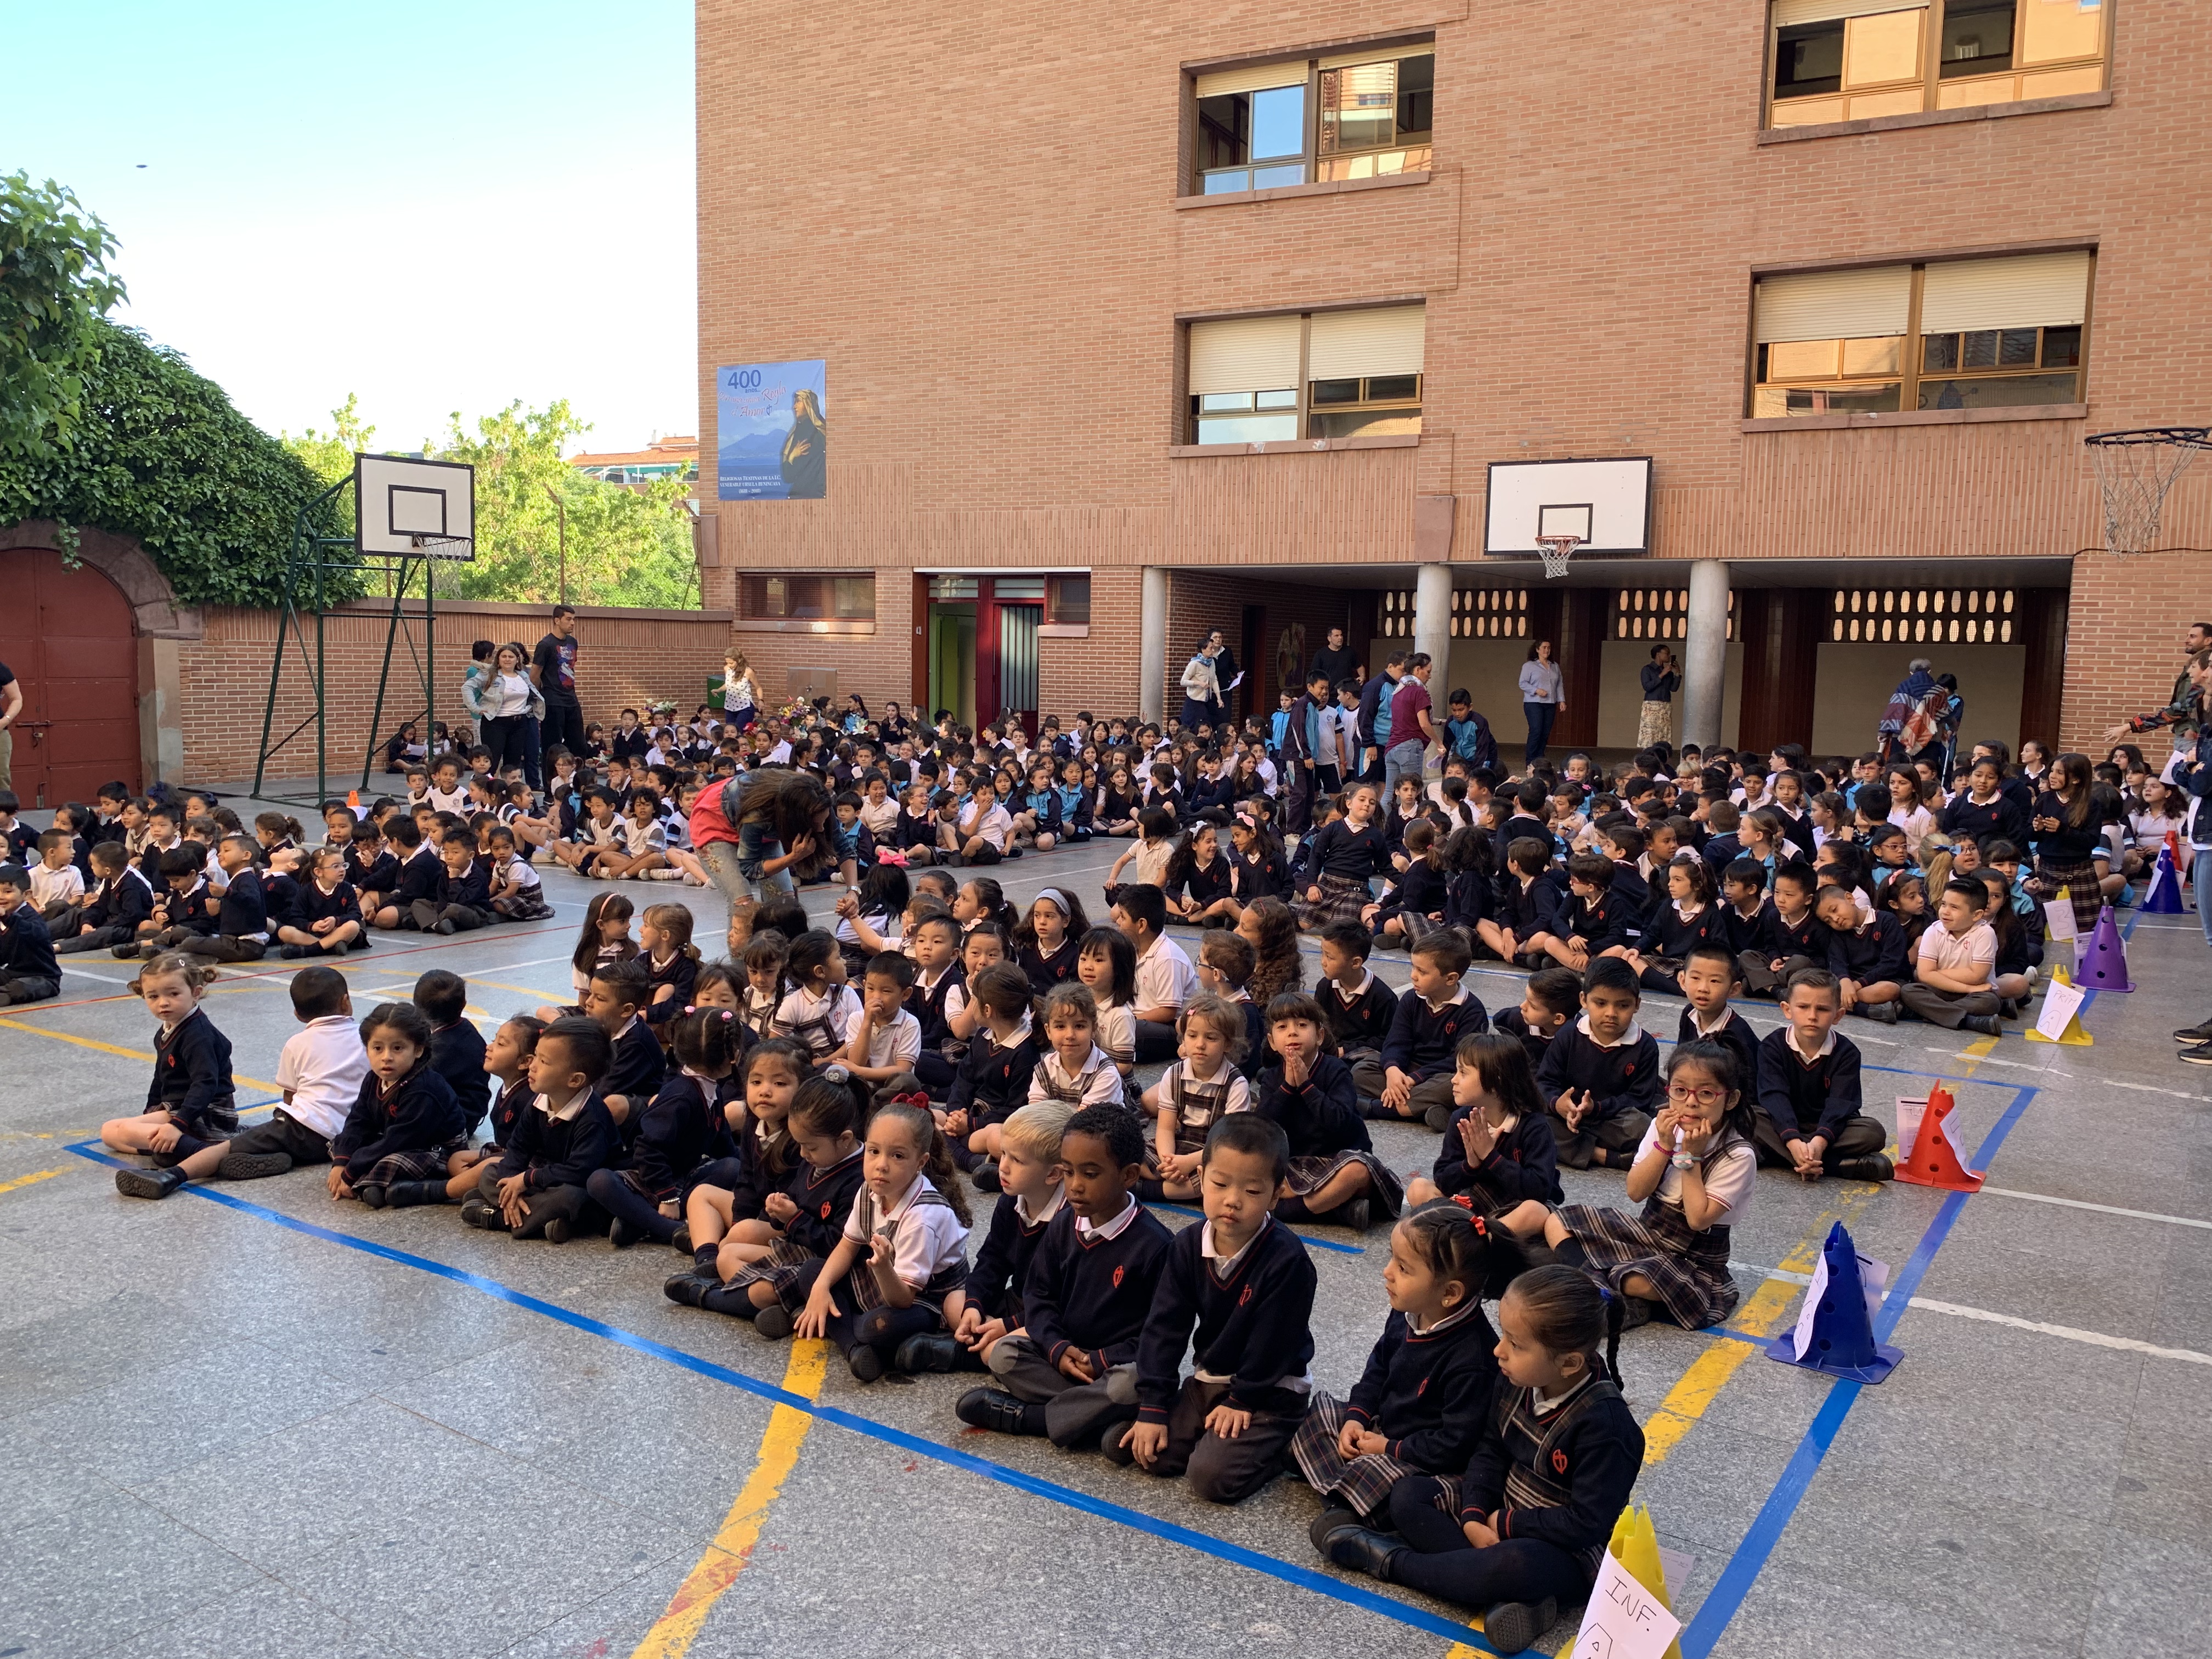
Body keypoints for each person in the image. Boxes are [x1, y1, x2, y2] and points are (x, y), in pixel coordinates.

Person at [1313, 1266, 1643, 1658]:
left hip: (1561, 1544)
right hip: (1501, 1507)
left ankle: (1391, 1560)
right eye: (1504, 1336)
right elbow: (1491, 1449)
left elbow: (1588, 1524)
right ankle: (1506, 1597)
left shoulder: (1607, 1428)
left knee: (1514, 1565)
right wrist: (1473, 1514)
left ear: (1570, 1364)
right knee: (1408, 1496)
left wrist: (1505, 1523)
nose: (1498, 1350)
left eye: (1515, 1344)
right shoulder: (1517, 1377)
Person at [1104, 1113, 1317, 1504]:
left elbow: (1275, 1343)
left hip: (1270, 1389)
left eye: (1253, 1192)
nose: (1233, 1200)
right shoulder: (1186, 1246)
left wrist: (1244, 1399)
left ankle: (1284, 1445)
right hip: (1211, 1381)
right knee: (1146, 1451)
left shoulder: (1287, 1260)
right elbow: (1164, 1328)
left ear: (1275, 1195)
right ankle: (1214, 1437)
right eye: (1220, 1184)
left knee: (1210, 1479)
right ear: (1201, 1178)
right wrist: (1152, 1405)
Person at [952, 1103, 1175, 1446]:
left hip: (1114, 1363)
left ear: (1129, 1176)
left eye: (1090, 1173)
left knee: (1128, 1385)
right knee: (1005, 1354)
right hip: (1065, 1352)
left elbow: (1160, 1337)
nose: (1075, 1186)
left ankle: (1033, 1418)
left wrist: (1098, 1360)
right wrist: (1057, 1348)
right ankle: (1096, 1418)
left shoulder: (1156, 1246)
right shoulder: (1064, 1224)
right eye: (1069, 1172)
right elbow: (1039, 1297)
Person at [1294, 1199, 1517, 1526]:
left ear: (1450, 1293)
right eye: (1392, 1259)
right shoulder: (1407, 1312)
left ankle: (1351, 1496)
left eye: (1403, 1268)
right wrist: (1357, 1419)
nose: (1387, 1272)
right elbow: (1378, 1369)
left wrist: (1389, 1447)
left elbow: (1454, 1445)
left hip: (1421, 1458)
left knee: (1402, 1492)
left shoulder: (1473, 1359)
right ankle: (1347, 1489)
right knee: (1318, 1414)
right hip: (1386, 1428)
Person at [1544, 1037, 1757, 1330]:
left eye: (1706, 1093)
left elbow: (1697, 1220)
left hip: (1693, 1260)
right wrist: (1665, 1146)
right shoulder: (1664, 1128)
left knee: (1643, 1279)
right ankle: (1598, 1288)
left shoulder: (1737, 1154)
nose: (1691, 1102)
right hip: (1648, 1234)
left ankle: (1603, 1288)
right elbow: (1635, 1192)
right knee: (1557, 1221)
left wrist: (1691, 1159)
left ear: (1730, 1099)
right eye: (1680, 1091)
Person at [117, 966, 365, 1198]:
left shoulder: (297, 1044)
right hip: (348, 1138)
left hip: (304, 1129)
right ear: (346, 1001)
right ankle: (274, 1158)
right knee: (265, 1143)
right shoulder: (367, 1039)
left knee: (226, 1149)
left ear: (298, 1015)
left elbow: (290, 1097)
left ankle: (171, 1177)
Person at [1754, 969, 1892, 1182]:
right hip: (1781, 1123)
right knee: (1747, 1117)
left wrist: (1820, 1141)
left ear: (1838, 1015)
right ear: (1787, 1010)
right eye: (1803, 1007)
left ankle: (1782, 1157)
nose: (1812, 1016)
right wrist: (1792, 1139)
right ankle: (1836, 1166)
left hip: (1829, 1128)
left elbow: (1841, 1104)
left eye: (1822, 1009)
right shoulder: (1772, 1047)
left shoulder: (1847, 1052)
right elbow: (1774, 1097)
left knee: (1873, 1133)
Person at [464, 642, 543, 778]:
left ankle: (509, 793)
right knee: (491, 763)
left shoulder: (523, 675)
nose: (507, 659)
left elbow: (533, 693)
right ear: (498, 659)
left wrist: (531, 708)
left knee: (513, 765)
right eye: (504, 656)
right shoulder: (490, 674)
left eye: (511, 657)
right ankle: (486, 792)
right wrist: (475, 708)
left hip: (519, 723)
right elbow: (467, 688)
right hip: (495, 724)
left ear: (517, 659)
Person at [1383, 652, 1438, 798]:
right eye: (1428, 672)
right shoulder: (1418, 691)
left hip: (1392, 747)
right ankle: (1415, 821)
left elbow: (1408, 717)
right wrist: (1439, 743)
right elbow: (1424, 724)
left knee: (1390, 792)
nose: (1430, 676)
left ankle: (1383, 821)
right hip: (1409, 747)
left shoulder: (1398, 691)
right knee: (1414, 791)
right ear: (1418, 669)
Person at [1518, 640, 1563, 767]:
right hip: (1534, 703)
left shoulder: (1554, 666)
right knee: (1536, 730)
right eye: (1544, 648)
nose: (1546, 650)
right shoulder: (1529, 666)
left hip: (1550, 703)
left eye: (1549, 648)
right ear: (1537, 649)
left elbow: (1559, 684)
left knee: (1545, 732)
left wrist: (1561, 700)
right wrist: (1536, 691)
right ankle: (1530, 761)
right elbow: (1523, 683)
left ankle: (1540, 759)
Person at [781, 387, 827, 498]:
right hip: (804, 495)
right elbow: (788, 477)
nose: (794, 407)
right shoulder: (796, 433)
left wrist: (791, 457)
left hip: (813, 494)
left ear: (808, 405)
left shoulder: (818, 433)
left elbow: (789, 476)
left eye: (798, 401)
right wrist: (793, 455)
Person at [1637, 645, 1679, 751]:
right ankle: (1647, 754)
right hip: (1652, 705)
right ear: (1658, 655)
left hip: (1665, 705)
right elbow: (1647, 687)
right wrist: (1662, 674)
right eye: (1666, 653)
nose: (1668, 656)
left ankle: (1662, 753)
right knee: (1650, 733)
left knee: (1663, 732)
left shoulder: (1668, 672)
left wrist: (1677, 673)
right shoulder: (1647, 669)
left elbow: (1673, 688)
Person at [1179, 639, 1222, 732]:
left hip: (1206, 700)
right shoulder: (1195, 663)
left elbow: (1214, 679)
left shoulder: (1212, 662)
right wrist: (1199, 683)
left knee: (1208, 725)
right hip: (1194, 701)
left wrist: (1219, 698)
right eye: (1211, 648)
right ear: (1203, 649)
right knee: (1193, 727)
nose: (1213, 651)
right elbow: (1183, 681)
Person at [1310, 626, 1356, 691]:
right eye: (1336, 636)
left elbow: (1359, 666)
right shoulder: (1321, 654)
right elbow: (1314, 674)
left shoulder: (1349, 652)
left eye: (1341, 635)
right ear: (1329, 639)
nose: (1340, 638)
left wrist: (1362, 677)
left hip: (1346, 693)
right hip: (1328, 693)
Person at [0, 655, 17, 789]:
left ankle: (4, 810)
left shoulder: (2, 669)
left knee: (1, 779)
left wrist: (4, 722)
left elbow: (17, 699)